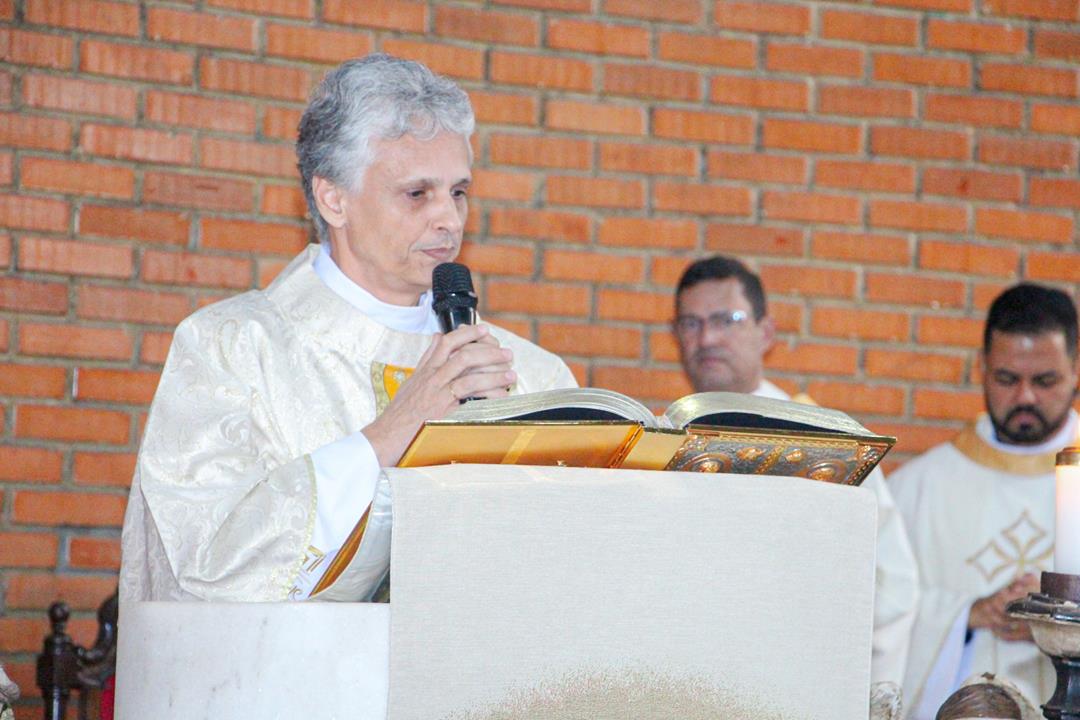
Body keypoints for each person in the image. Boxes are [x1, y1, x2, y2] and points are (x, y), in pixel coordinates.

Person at [119, 54, 576, 604]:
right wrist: (394, 432)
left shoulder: (531, 375)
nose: (450, 220)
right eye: (417, 194)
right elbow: (205, 570)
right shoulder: (229, 350)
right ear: (333, 199)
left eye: (458, 192)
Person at [672, 255, 920, 688]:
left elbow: (891, 586)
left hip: (796, 680)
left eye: (726, 320)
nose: (706, 338)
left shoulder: (826, 441)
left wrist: (864, 697)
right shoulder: (662, 442)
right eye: (690, 324)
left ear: (766, 332)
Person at [889, 283, 1079, 719]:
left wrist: (1061, 625)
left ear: (1075, 370)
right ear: (982, 368)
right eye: (1007, 379)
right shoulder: (917, 488)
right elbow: (881, 617)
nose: (1025, 396)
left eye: (1045, 380)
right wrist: (967, 616)